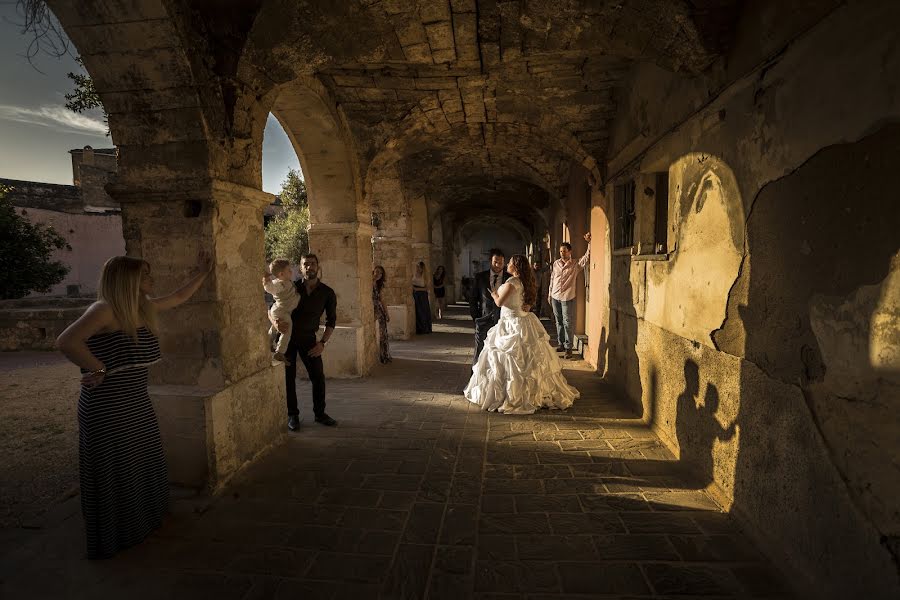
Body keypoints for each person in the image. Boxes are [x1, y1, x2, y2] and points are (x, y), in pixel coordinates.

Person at [56, 253, 213, 559]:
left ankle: (142, 522)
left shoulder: (142, 308)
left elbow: (179, 296)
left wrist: (203, 273)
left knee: (139, 462)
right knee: (114, 467)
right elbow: (67, 341)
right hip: (107, 407)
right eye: (145, 275)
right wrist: (97, 368)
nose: (151, 280)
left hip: (135, 403)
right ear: (127, 280)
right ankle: (116, 534)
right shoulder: (103, 310)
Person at [464, 254, 580, 414]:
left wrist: (494, 294)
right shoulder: (526, 282)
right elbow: (526, 301)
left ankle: (513, 395)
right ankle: (534, 391)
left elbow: (499, 303)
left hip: (511, 324)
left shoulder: (512, 282)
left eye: (510, 262)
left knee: (509, 358)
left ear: (515, 266)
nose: (507, 265)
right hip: (523, 320)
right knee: (528, 358)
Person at [273, 253, 338, 430]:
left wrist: (322, 343)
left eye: (312, 264)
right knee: (288, 379)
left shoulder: (327, 293)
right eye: (305, 264)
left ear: (318, 266)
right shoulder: (291, 288)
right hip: (287, 340)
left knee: (318, 377)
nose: (309, 267)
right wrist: (275, 322)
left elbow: (331, 321)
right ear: (300, 268)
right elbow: (272, 309)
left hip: (310, 340)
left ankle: (320, 413)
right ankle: (292, 415)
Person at [549, 232, 591, 359]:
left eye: (564, 251)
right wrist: (550, 294)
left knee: (568, 322)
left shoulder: (575, 264)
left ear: (570, 252)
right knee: (559, 321)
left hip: (567, 297)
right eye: (561, 251)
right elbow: (552, 279)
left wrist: (589, 243)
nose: (562, 253)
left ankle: (568, 348)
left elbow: (586, 258)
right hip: (555, 296)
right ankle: (561, 344)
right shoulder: (556, 264)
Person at [468, 248, 510, 363]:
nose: (498, 265)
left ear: (504, 262)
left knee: (501, 351)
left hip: (504, 320)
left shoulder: (510, 278)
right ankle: (475, 378)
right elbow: (473, 299)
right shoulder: (480, 277)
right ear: (490, 261)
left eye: (500, 262)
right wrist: (476, 317)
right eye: (495, 262)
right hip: (484, 319)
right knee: (480, 351)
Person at [263, 258, 300, 366]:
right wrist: (266, 280)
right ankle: (280, 352)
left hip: (281, 310)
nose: (291, 272)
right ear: (281, 274)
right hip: (281, 311)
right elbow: (270, 288)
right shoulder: (281, 284)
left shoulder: (286, 282)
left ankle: (268, 342)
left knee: (274, 329)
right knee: (287, 328)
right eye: (289, 270)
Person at [373, 265, 392, 364]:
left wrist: (387, 313)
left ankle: (384, 355)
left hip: (379, 310)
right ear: (373, 271)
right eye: (376, 271)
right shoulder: (369, 283)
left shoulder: (379, 285)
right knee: (378, 334)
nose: (378, 274)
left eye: (380, 273)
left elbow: (382, 300)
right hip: (372, 309)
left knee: (383, 334)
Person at [412, 261, 432, 334]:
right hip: (415, 294)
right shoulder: (413, 274)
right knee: (417, 311)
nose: (418, 268)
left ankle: (425, 328)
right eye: (417, 266)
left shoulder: (425, 276)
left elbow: (427, 288)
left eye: (419, 267)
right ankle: (419, 328)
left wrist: (417, 289)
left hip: (422, 295)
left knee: (422, 311)